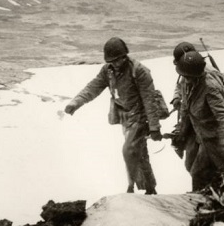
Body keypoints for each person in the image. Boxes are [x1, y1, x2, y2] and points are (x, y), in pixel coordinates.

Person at [64, 37, 164, 194]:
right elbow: (93, 87)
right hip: (124, 117)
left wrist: (154, 127)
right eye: (113, 61)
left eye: (119, 59)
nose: (116, 63)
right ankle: (150, 189)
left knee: (129, 150)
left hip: (139, 116)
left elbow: (149, 101)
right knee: (139, 152)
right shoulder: (108, 70)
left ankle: (131, 187)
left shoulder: (139, 71)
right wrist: (76, 102)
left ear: (125, 56)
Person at [175, 51, 224, 191]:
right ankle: (214, 191)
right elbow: (186, 107)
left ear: (197, 75)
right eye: (184, 76)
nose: (185, 79)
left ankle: (200, 201)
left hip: (214, 138)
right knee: (190, 165)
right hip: (200, 134)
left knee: (198, 172)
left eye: (188, 77)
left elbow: (223, 116)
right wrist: (181, 132)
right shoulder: (186, 80)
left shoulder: (210, 87)